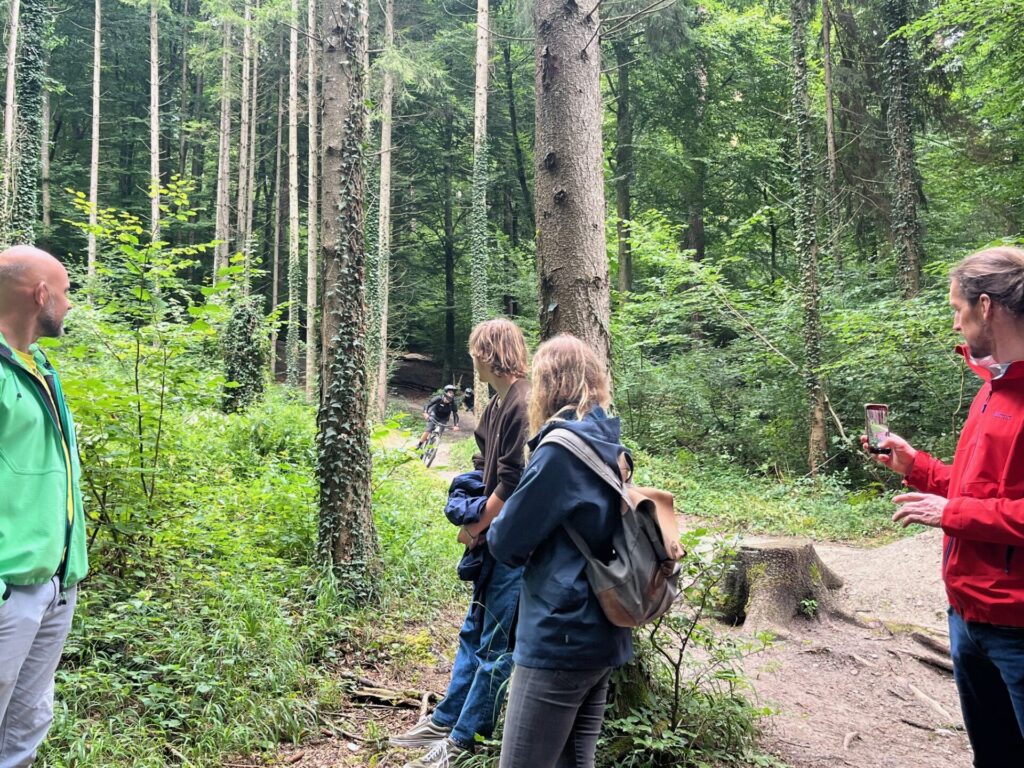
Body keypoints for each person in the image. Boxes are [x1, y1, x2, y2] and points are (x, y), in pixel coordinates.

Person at [864, 246, 1024, 768]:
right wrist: (918, 467)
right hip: (967, 615)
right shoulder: (992, 387)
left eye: (957, 309)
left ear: (985, 306)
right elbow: (984, 487)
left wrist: (949, 514)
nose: (955, 322)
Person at [487, 335, 632, 768]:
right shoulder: (610, 443)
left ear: (547, 385)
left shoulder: (560, 452)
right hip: (602, 630)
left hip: (560, 634)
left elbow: (505, 542)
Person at [391, 319, 531, 768]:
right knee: (474, 629)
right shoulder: (494, 405)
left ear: (490, 353)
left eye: (476, 351)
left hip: (514, 543)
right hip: (491, 539)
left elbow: (513, 481)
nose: (473, 358)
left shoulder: (524, 402)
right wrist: (468, 510)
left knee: (495, 644)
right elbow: (482, 465)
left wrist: (477, 527)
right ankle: (445, 720)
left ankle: (466, 741)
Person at [0, 245, 87, 767]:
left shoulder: (37, 367)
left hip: (53, 583)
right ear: (41, 295)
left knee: (28, 720)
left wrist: (64, 574)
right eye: (67, 292)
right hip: (10, 588)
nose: (70, 305)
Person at [416, 384, 460, 450]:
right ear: (445, 393)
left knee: (439, 433)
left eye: (453, 393)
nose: (451, 395)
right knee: (428, 430)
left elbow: (455, 414)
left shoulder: (453, 403)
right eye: (450, 392)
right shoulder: (438, 398)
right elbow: (428, 404)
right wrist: (425, 412)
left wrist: (456, 425)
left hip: (444, 418)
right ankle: (419, 445)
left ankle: (433, 446)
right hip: (434, 415)